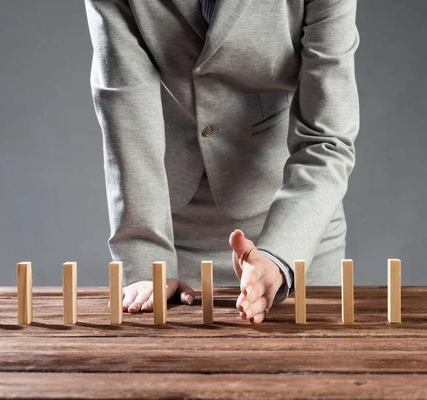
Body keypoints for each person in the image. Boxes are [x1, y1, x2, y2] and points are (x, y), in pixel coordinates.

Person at [84, 0, 360, 324]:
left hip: (296, 236)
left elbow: (326, 138)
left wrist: (279, 256)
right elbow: (126, 115)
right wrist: (148, 261)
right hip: (171, 235)